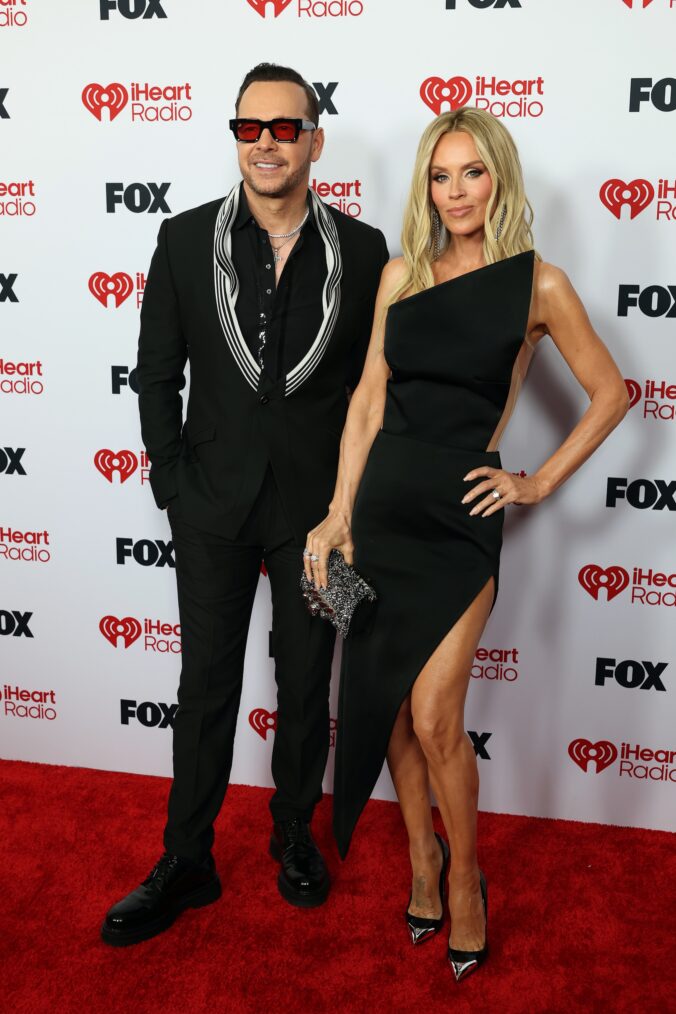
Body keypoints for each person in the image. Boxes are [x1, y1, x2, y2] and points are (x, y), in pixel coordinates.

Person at [303, 107, 629, 981]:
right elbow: (368, 401)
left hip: (459, 519)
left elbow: (611, 393)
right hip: (379, 515)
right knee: (390, 709)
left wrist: (536, 481)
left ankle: (468, 883)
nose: (455, 192)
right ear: (427, 185)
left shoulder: (539, 285)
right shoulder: (402, 275)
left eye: (472, 173)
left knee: (437, 712)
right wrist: (338, 512)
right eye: (441, 176)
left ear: (500, 179)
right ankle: (421, 861)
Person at [101, 63, 388, 946]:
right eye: (249, 127)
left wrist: (349, 505)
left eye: (285, 127)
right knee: (205, 687)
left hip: (317, 517)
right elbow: (156, 374)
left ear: (314, 139)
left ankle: (294, 833)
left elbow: (373, 391)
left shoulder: (367, 250)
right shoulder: (184, 240)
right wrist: (172, 482)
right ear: (235, 137)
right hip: (212, 506)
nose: (266, 141)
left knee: (306, 684)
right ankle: (187, 856)